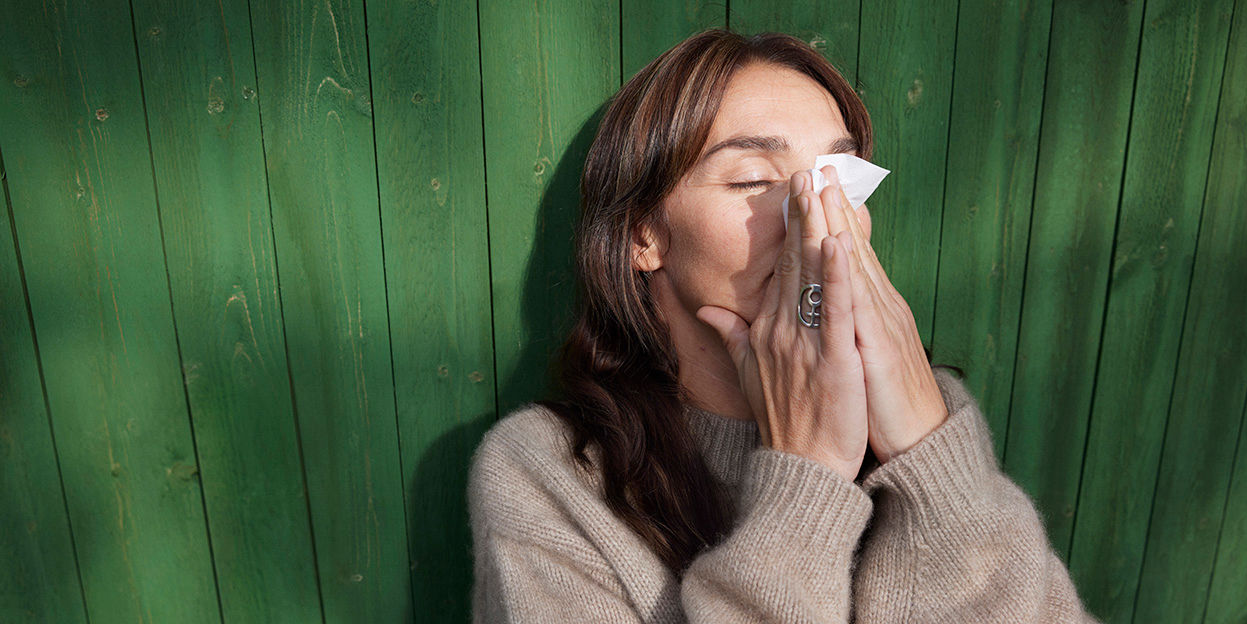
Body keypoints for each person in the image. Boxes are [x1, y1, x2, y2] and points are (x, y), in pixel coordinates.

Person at [467, 28, 1099, 623]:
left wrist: (931, 461)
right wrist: (809, 472)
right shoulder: (550, 472)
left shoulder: (929, 413)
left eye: (839, 179)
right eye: (754, 179)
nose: (817, 219)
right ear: (644, 235)